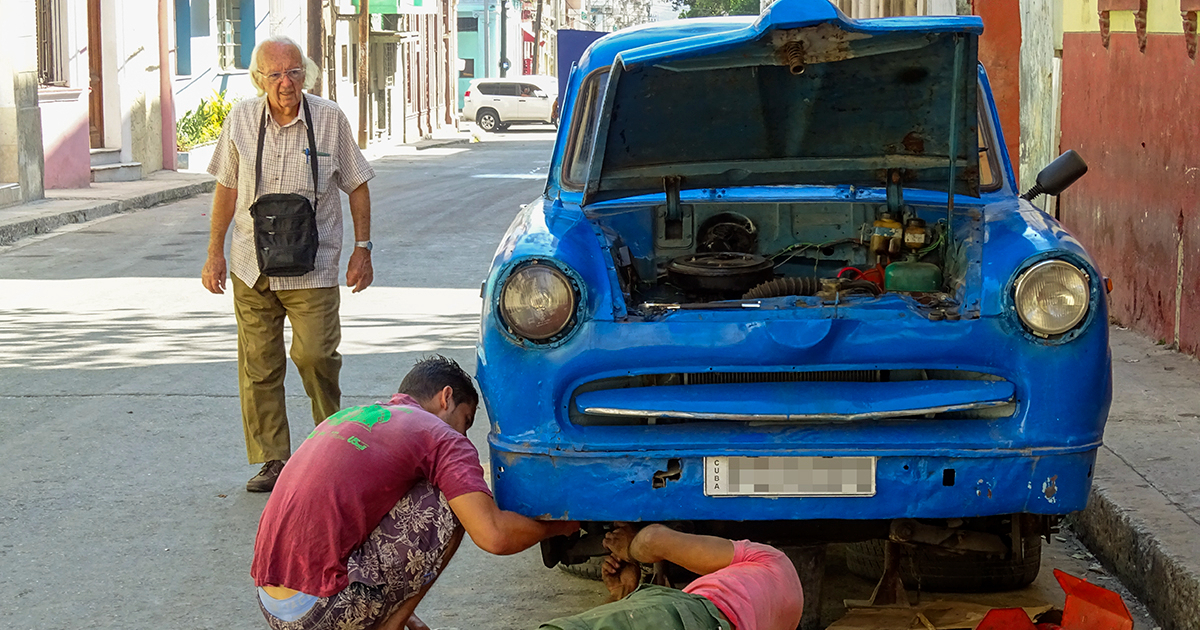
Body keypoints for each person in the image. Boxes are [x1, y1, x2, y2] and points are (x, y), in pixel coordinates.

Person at [253, 355, 579, 630]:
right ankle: (391, 623)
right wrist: (563, 526)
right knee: (458, 497)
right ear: (446, 397)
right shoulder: (439, 436)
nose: (463, 433)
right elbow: (493, 535)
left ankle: (388, 615)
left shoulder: (351, 418)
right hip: (320, 610)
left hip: (273, 604)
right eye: (465, 420)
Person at [201, 35, 376, 492]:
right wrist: (214, 253)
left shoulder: (329, 117)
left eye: (294, 71)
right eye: (275, 74)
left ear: (307, 75)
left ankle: (331, 449)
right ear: (259, 79)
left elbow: (356, 184)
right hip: (251, 264)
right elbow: (226, 187)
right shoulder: (241, 118)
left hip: (312, 264)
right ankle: (273, 459)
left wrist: (364, 248)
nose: (286, 82)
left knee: (316, 355)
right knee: (259, 366)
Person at [539, 524, 804, 630]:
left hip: (698, 615)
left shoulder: (769, 559)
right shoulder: (775, 613)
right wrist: (623, 595)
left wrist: (630, 549)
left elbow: (655, 539)